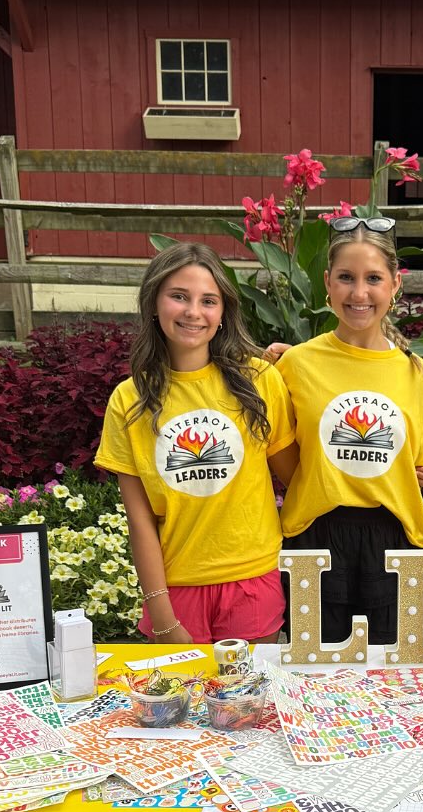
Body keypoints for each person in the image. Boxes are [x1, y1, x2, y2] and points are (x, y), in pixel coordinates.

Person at [95, 242, 297, 644]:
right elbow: (140, 521)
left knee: (246, 707)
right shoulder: (129, 399)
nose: (193, 312)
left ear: (223, 313)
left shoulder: (258, 380)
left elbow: (298, 478)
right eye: (179, 297)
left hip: (252, 582)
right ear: (154, 303)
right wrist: (163, 615)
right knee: (178, 708)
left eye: (208, 301)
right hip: (175, 586)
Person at [273, 216, 423, 644]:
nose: (359, 293)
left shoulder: (414, 371)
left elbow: (421, 466)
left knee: (393, 683)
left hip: (391, 540)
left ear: (394, 285)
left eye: (373, 278)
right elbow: (284, 454)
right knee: (315, 678)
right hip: (317, 536)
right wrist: (330, 480)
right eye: (346, 278)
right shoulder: (296, 364)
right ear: (328, 282)